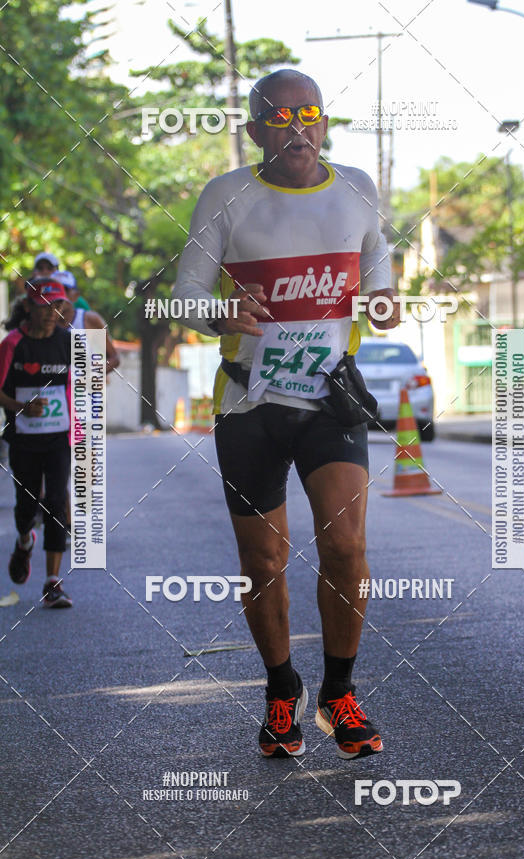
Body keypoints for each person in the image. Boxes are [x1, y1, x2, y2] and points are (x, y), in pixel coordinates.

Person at [174, 69, 399, 759]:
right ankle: (280, 689)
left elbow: (382, 285)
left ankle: (339, 692)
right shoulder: (226, 195)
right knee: (263, 558)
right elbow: (183, 297)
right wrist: (218, 313)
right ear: (253, 130)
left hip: (329, 397)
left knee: (346, 546)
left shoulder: (358, 187)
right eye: (280, 116)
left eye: (309, 112)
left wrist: (384, 303)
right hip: (250, 402)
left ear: (325, 122)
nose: (298, 126)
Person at [0, 277, 73, 608]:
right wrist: (20, 407)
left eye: (57, 306)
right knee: (26, 505)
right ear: (28, 307)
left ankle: (52, 583)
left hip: (58, 438)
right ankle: (24, 540)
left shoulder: (69, 341)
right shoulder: (13, 343)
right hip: (24, 439)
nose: (51, 313)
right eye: (44, 307)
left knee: (57, 503)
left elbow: (87, 383)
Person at [53, 272, 120, 372]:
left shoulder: (89, 319)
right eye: (56, 290)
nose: (60, 296)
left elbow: (114, 358)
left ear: (75, 295)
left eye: (65, 290)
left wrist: (92, 376)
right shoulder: (43, 321)